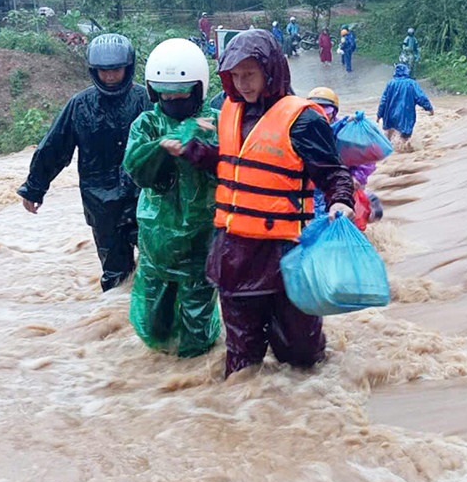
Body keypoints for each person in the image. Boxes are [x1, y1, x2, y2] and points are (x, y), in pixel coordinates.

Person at [178, 30, 355, 378]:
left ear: (271, 71)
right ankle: (242, 417)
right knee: (242, 362)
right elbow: (237, 165)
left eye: (250, 74)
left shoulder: (303, 119)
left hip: (285, 254)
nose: (242, 84)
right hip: (235, 255)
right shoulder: (228, 111)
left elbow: (334, 172)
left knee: (301, 357)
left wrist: (341, 201)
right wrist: (198, 153)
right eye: (235, 75)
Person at [17, 34, 151, 292]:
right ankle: (113, 323)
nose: (110, 77)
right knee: (116, 276)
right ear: (94, 71)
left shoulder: (146, 100)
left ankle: (148, 326)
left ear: (128, 67)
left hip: (144, 199)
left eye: (116, 70)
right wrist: (34, 188)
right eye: (104, 71)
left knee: (156, 267)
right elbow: (54, 148)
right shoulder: (80, 106)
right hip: (101, 205)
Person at [122, 39, 220, 358]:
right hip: (157, 241)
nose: (173, 99)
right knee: (155, 325)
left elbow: (232, 165)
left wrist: (196, 140)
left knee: (197, 331)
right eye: (166, 93)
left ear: (198, 89)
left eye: (181, 92)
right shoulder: (147, 123)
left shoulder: (215, 122)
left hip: (200, 242)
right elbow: (136, 168)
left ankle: (194, 381)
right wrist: (160, 147)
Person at [307, 87, 383, 231]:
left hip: (344, 184)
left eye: (326, 111)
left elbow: (366, 159)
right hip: (316, 190)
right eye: (316, 111)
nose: (322, 115)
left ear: (334, 112)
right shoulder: (304, 131)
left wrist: (357, 177)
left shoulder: (347, 131)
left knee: (359, 217)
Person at [377, 63, 434, 143]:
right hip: (405, 115)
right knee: (405, 138)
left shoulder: (390, 83)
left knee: (388, 134)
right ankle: (405, 151)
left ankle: (389, 153)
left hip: (390, 114)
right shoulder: (411, 83)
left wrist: (379, 115)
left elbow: (383, 100)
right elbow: (421, 97)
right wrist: (429, 108)